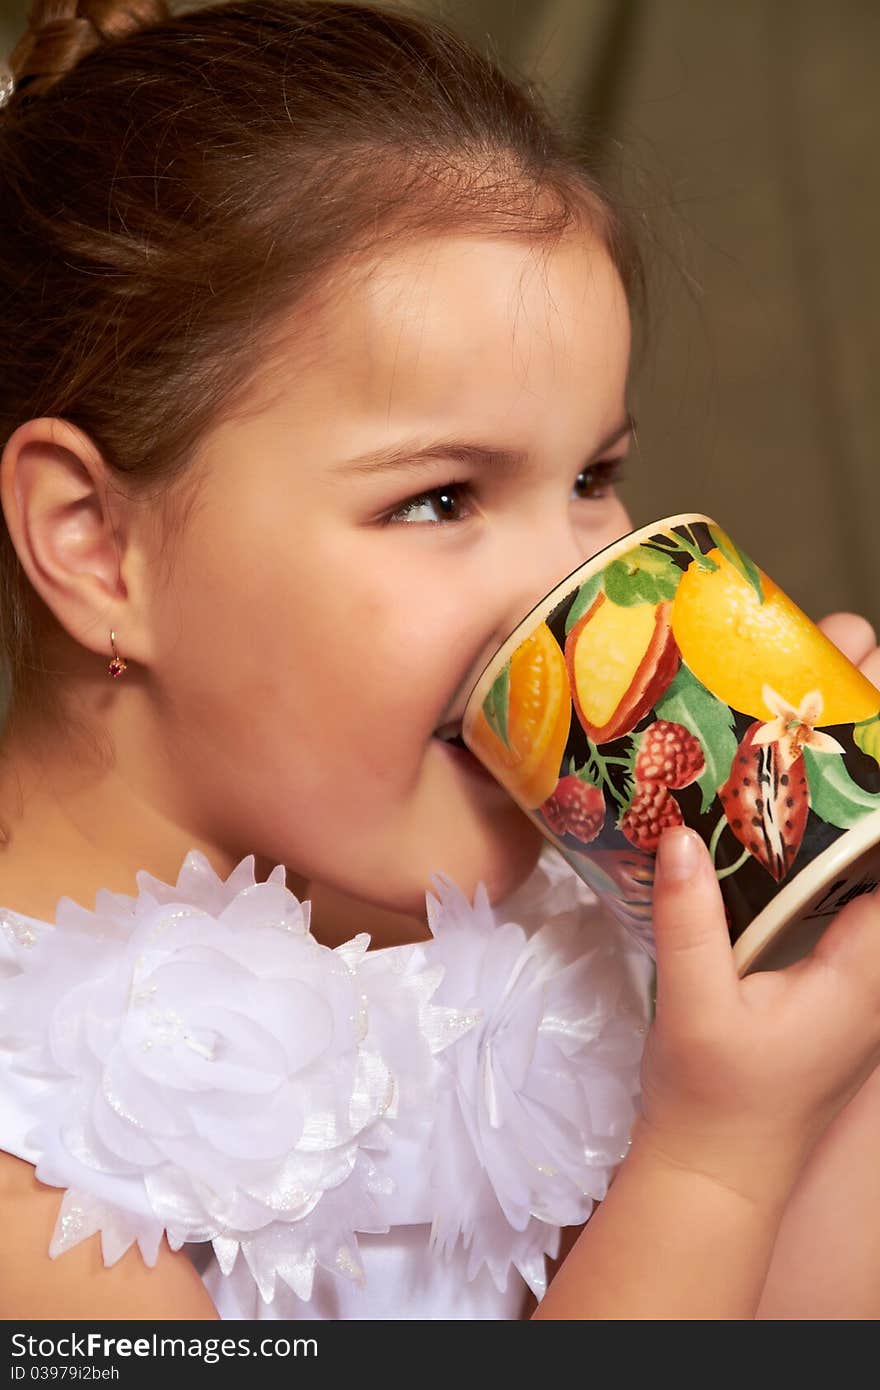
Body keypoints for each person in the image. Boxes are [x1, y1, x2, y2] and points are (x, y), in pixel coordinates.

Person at [0, 0, 878, 1322]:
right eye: (443, 498)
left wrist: (827, 975)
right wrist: (710, 1160)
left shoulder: (574, 957)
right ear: (94, 545)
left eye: (595, 477)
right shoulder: (33, 1153)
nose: (567, 583)